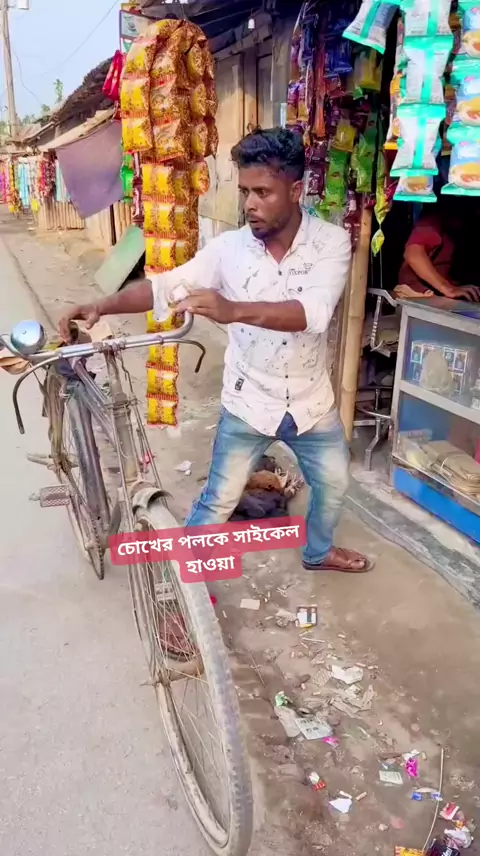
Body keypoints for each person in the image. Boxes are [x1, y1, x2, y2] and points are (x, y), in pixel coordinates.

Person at [59, 127, 372, 573]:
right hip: (249, 401)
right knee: (219, 500)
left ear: (295, 190)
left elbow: (315, 313)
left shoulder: (331, 242)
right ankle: (181, 586)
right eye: (245, 192)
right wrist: (101, 305)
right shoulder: (228, 250)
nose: (249, 204)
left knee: (335, 484)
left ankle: (318, 552)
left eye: (262, 192)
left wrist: (232, 309)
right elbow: (165, 287)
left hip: (311, 403)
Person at [395, 197, 480, 302]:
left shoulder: (470, 223)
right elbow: (413, 254)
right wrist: (448, 288)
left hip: (453, 292)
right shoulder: (434, 219)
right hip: (418, 293)